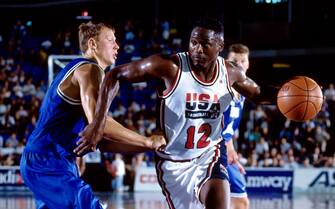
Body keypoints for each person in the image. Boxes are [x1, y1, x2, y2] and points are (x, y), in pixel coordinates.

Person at [75, 18, 277, 209]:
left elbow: (259, 94)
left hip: (210, 154)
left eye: (205, 44)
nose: (197, 49)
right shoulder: (170, 67)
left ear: (219, 46)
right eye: (193, 42)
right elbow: (114, 75)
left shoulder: (230, 72)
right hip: (173, 163)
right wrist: (97, 124)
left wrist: (293, 95)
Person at [20, 21, 165, 209]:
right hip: (47, 160)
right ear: (92, 44)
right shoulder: (89, 69)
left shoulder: (85, 72)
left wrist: (145, 147)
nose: (117, 45)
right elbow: (100, 125)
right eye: (110, 40)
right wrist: (147, 141)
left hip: (56, 161)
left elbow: (102, 142)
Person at [221, 44, 250, 209]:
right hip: (211, 150)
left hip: (224, 150)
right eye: (234, 60)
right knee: (239, 202)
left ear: (248, 64)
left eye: (242, 60)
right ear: (226, 63)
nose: (239, 64)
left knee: (238, 202)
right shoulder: (220, 86)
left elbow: (228, 128)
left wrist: (231, 149)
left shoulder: (245, 90)